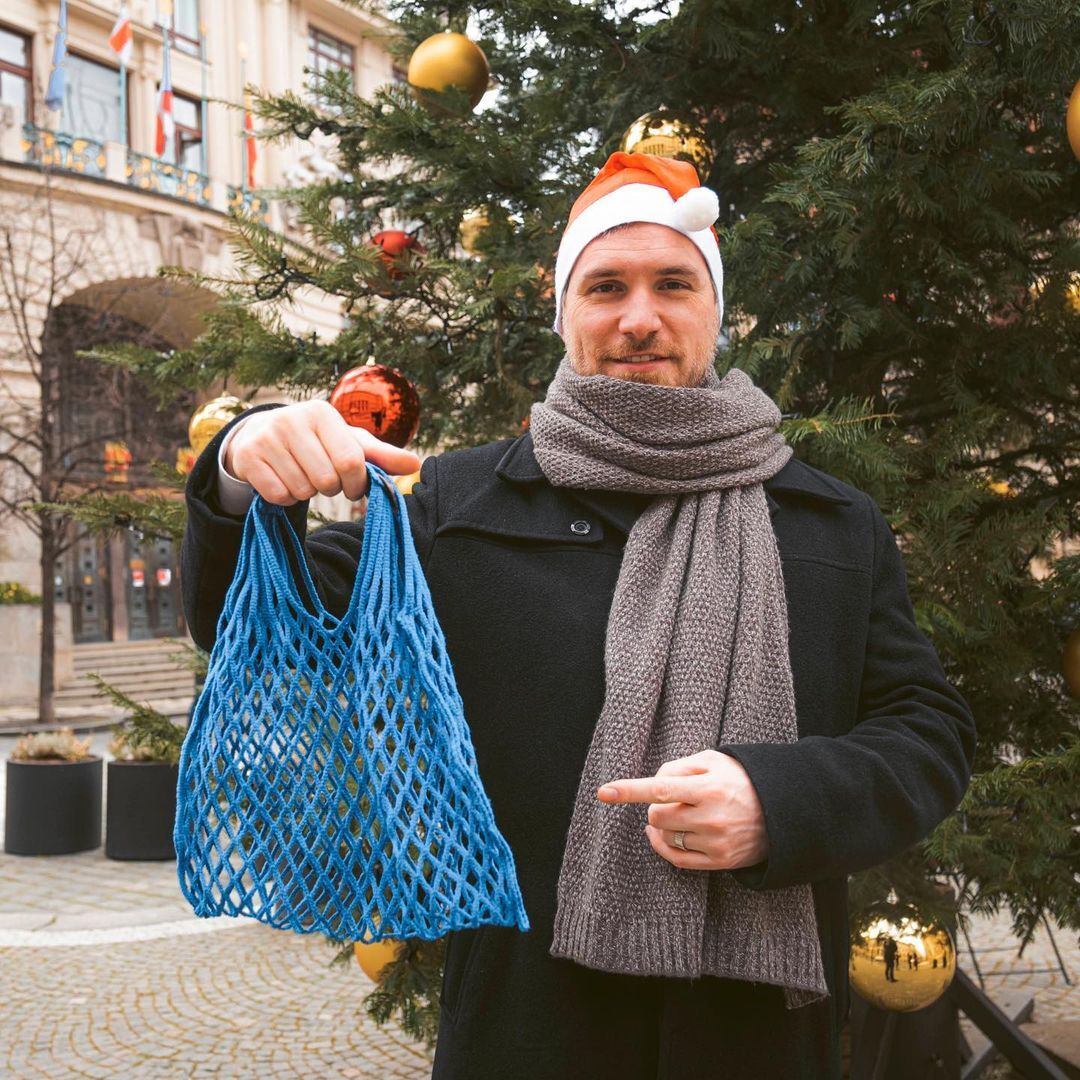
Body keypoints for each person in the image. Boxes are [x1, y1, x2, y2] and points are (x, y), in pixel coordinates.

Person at [181, 153, 976, 1080]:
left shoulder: (830, 521)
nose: (639, 317)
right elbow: (246, 624)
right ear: (565, 314)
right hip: (525, 1029)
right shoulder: (457, 506)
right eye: (606, 287)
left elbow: (928, 730)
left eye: (673, 283)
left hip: (758, 1042)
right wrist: (241, 465)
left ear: (714, 311)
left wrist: (780, 802)